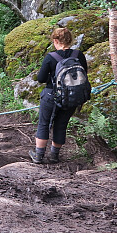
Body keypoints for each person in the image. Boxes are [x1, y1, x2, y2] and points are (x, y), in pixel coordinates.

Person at [30, 27, 87, 164]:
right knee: (61, 125)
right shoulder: (78, 55)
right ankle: (54, 156)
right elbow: (84, 74)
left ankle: (39, 156)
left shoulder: (51, 57)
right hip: (71, 96)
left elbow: (41, 79)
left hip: (51, 95)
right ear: (70, 40)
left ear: (56, 41)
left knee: (44, 123)